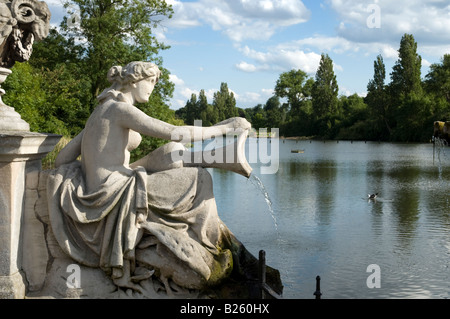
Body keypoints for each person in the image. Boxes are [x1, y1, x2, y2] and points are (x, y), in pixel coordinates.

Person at [48, 61, 251, 296]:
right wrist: (224, 128)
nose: (152, 88)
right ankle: (208, 243)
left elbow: (62, 159)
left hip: (105, 185)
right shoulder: (120, 110)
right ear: (135, 81)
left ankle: (219, 163)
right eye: (151, 81)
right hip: (114, 191)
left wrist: (93, 171)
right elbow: (176, 131)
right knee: (200, 178)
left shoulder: (102, 110)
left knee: (170, 152)